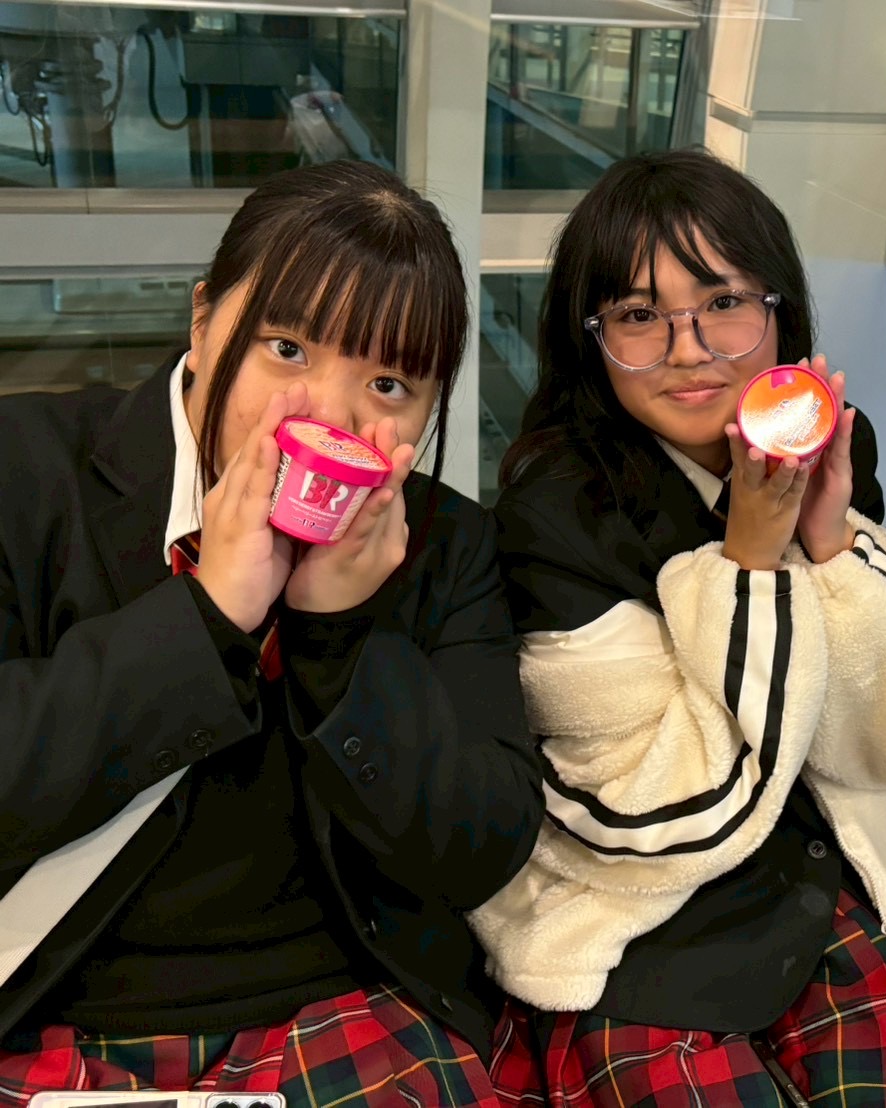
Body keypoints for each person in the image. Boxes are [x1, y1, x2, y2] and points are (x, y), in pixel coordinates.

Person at [0, 160, 543, 1106]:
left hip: (345, 1005)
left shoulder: (446, 544)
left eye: (388, 383)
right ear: (204, 321)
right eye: (287, 349)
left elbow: (480, 848)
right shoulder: (26, 472)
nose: (328, 415)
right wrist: (210, 613)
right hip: (54, 1006)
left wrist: (340, 636)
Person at [473, 147, 886, 1106]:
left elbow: (877, 745)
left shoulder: (833, 443)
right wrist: (750, 560)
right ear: (590, 340)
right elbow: (659, 807)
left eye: (723, 302)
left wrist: (830, 543)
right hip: (645, 916)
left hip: (818, 870)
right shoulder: (552, 513)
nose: (689, 349)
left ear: (780, 312)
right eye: (638, 316)